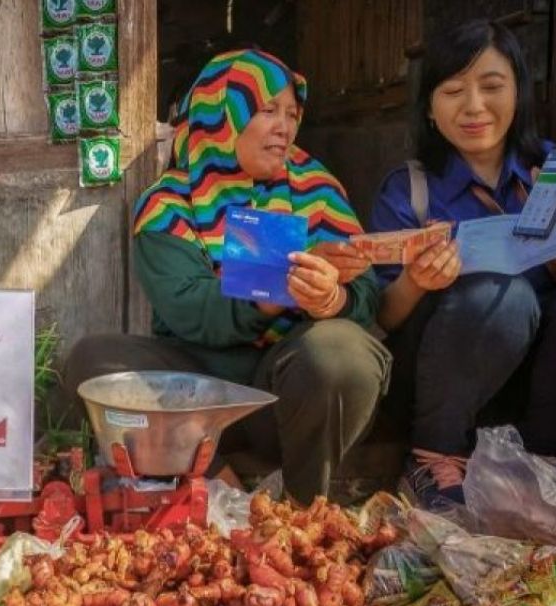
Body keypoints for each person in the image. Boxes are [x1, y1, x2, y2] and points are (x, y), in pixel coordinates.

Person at [64, 49, 389, 503]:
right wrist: (273, 292)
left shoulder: (316, 189)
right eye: (266, 110)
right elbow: (190, 311)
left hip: (291, 397)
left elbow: (370, 297)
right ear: (221, 114)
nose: (285, 126)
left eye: (292, 114)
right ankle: (215, 479)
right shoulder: (169, 206)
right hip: (197, 400)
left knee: (341, 351)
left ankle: (305, 509)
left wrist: (333, 299)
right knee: (94, 361)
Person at [369, 19, 556, 511]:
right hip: (446, 390)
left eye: (492, 86)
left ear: (519, 92)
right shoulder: (410, 192)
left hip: (541, 397)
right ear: (431, 110)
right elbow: (381, 317)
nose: (474, 106)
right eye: (453, 90)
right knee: (502, 294)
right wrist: (417, 280)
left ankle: (533, 460)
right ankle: (433, 457)